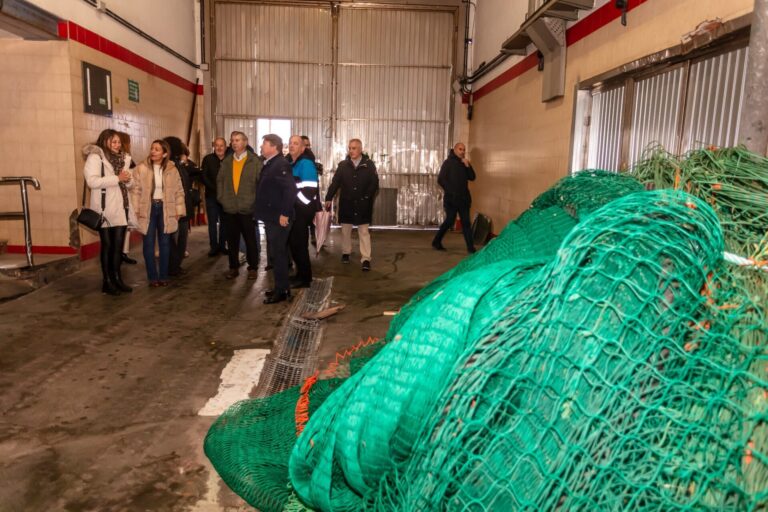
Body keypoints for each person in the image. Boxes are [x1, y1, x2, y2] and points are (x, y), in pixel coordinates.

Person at [82, 129, 135, 295]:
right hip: (104, 208)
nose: (117, 145)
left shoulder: (124, 159)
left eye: (119, 142)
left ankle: (117, 278)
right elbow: (92, 181)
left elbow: (129, 183)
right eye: (113, 142)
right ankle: (107, 281)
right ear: (104, 141)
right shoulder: (95, 157)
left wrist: (127, 180)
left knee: (118, 246)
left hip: (121, 206)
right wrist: (117, 179)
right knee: (108, 245)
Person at [130, 139, 185, 287]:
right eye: (152, 148)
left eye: (157, 149)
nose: (153, 151)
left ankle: (164, 275)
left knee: (165, 243)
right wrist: (135, 210)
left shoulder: (172, 169)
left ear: (165, 153)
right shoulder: (141, 168)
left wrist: (179, 210)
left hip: (166, 209)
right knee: (148, 244)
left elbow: (179, 191)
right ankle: (152, 277)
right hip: (148, 209)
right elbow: (135, 191)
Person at [324, 138, 379, 272]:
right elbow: (335, 182)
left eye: (354, 148)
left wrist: (367, 197)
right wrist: (328, 197)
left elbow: (374, 184)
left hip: (363, 204)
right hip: (347, 203)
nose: (351, 150)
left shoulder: (369, 164)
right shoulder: (343, 165)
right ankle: (345, 252)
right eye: (349, 148)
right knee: (345, 230)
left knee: (364, 231)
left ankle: (366, 258)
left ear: (360, 149)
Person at [255, 134, 295, 304]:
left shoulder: (280, 164)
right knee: (276, 255)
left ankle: (282, 291)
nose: (261, 147)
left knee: (278, 255)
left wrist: (285, 214)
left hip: (279, 218)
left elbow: (290, 190)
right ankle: (281, 286)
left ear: (274, 147)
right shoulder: (271, 163)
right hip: (272, 217)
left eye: (264, 144)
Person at [217, 131, 262, 280]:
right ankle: (233, 267)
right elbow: (220, 182)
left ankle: (253, 267)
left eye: (237, 140)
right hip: (230, 208)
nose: (234, 143)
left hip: (247, 208)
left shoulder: (254, 161)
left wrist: (254, 202)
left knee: (250, 239)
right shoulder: (227, 161)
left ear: (245, 142)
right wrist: (222, 199)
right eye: (232, 140)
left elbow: (260, 184)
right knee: (232, 240)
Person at [432, 142, 477, 254]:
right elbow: (441, 179)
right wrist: (451, 191)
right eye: (460, 149)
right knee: (449, 221)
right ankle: (436, 241)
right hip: (451, 199)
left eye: (464, 150)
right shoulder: (448, 163)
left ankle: (471, 248)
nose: (462, 152)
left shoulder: (464, 163)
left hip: (464, 199)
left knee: (466, 223)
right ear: (455, 150)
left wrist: (468, 166)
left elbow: (472, 177)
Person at [287, 135, 319, 288]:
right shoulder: (292, 163)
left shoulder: (305, 164)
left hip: (301, 211)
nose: (292, 146)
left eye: (296, 143)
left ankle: (305, 278)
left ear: (303, 148)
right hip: (294, 210)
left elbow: (310, 191)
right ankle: (300, 275)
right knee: (295, 245)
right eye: (290, 143)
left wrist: (295, 198)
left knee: (299, 245)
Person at [167, 140, 200, 276]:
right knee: (176, 239)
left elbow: (194, 170)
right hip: (176, 208)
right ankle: (173, 266)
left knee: (180, 238)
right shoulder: (171, 166)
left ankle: (175, 265)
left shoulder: (180, 164)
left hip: (183, 206)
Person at [201, 137, 229, 257]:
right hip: (211, 196)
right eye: (216, 145)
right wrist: (215, 189)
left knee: (225, 223)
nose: (219, 148)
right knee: (212, 223)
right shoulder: (207, 159)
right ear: (214, 146)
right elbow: (204, 177)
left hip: (226, 198)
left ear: (225, 146)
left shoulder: (230, 159)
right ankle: (214, 247)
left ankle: (222, 246)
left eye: (221, 145)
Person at [116, 131, 138, 265]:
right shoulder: (120, 159)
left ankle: (123, 252)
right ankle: (120, 254)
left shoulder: (127, 158)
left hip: (127, 194)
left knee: (126, 227)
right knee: (121, 227)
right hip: (120, 196)